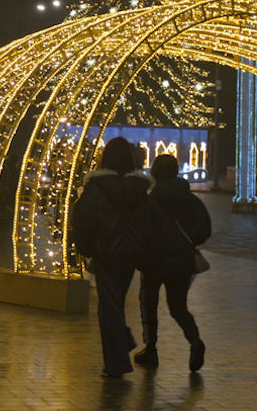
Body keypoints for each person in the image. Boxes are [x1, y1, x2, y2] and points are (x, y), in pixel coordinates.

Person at [69, 136, 149, 378]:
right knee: (115, 302)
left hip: (106, 253)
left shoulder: (96, 188)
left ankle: (116, 362)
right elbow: (148, 222)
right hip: (130, 255)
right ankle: (122, 342)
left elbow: (81, 221)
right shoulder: (140, 190)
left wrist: (87, 251)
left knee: (109, 306)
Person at [135, 153, 211, 371]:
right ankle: (195, 340)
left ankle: (151, 349)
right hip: (182, 260)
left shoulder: (150, 201)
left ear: (154, 173)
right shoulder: (191, 200)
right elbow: (205, 228)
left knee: (149, 304)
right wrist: (187, 243)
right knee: (178, 306)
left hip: (153, 261)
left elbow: (140, 231)